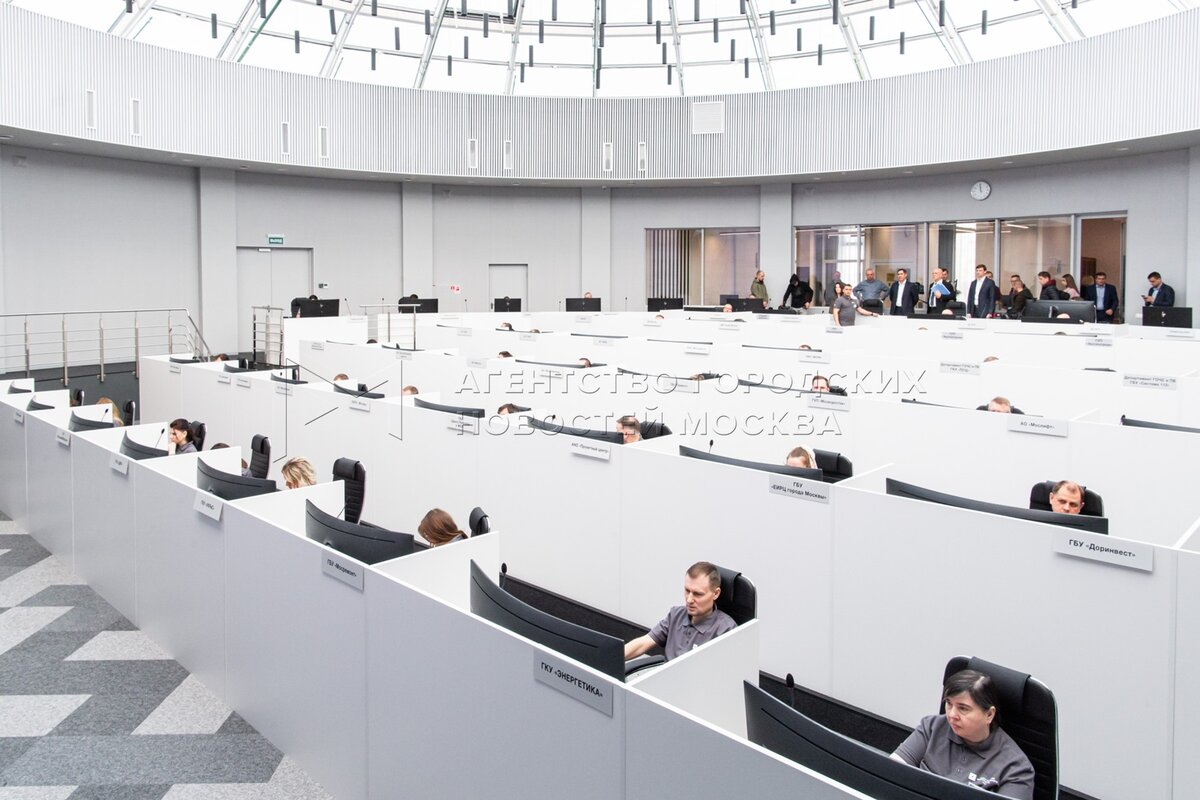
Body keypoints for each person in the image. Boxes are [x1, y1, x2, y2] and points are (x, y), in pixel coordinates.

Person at [891, 669, 1035, 800]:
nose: (952, 715)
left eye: (963, 708)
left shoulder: (1016, 767)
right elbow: (890, 772)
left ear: (989, 715)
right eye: (949, 703)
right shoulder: (932, 727)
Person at [623, 562, 736, 662]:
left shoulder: (725, 630)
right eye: (687, 591)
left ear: (715, 593)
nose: (689, 599)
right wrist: (615, 657)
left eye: (697, 594)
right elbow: (642, 643)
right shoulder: (676, 615)